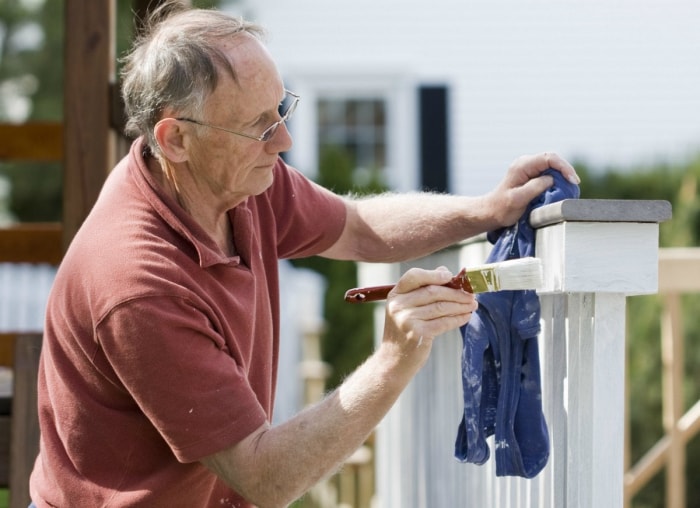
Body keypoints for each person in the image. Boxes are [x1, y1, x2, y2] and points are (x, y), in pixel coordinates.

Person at [28, 2, 579, 507]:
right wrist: (393, 358)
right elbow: (266, 477)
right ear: (175, 140)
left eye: (281, 109)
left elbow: (358, 227)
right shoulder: (137, 283)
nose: (285, 141)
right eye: (258, 126)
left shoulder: (237, 182)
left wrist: (486, 209)